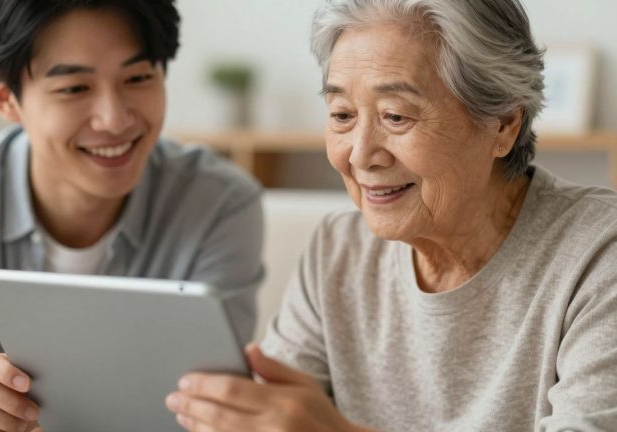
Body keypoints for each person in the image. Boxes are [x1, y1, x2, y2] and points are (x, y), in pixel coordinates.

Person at [165, 1, 617, 431]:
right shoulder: (338, 250)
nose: (360, 155)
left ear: (502, 124)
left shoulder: (598, 255)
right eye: (342, 114)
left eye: (396, 116)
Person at [0, 1, 264, 431]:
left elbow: (213, 403)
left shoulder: (219, 202)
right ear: (3, 97)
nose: (114, 118)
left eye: (138, 78)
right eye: (74, 88)